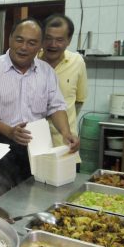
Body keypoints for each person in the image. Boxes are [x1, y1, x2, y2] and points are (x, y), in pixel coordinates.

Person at [0, 18, 80, 201]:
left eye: (32, 43)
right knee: (0, 200)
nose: (24, 47)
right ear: (10, 39)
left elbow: (56, 106)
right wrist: (9, 131)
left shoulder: (47, 72)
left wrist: (65, 132)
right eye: (19, 40)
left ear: (40, 46)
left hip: (36, 149)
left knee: (33, 199)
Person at [39, 14, 87, 160]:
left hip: (66, 144)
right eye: (48, 38)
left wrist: (64, 120)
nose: (53, 44)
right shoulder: (32, 62)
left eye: (59, 40)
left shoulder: (77, 62)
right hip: (37, 146)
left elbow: (79, 100)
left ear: (69, 40)